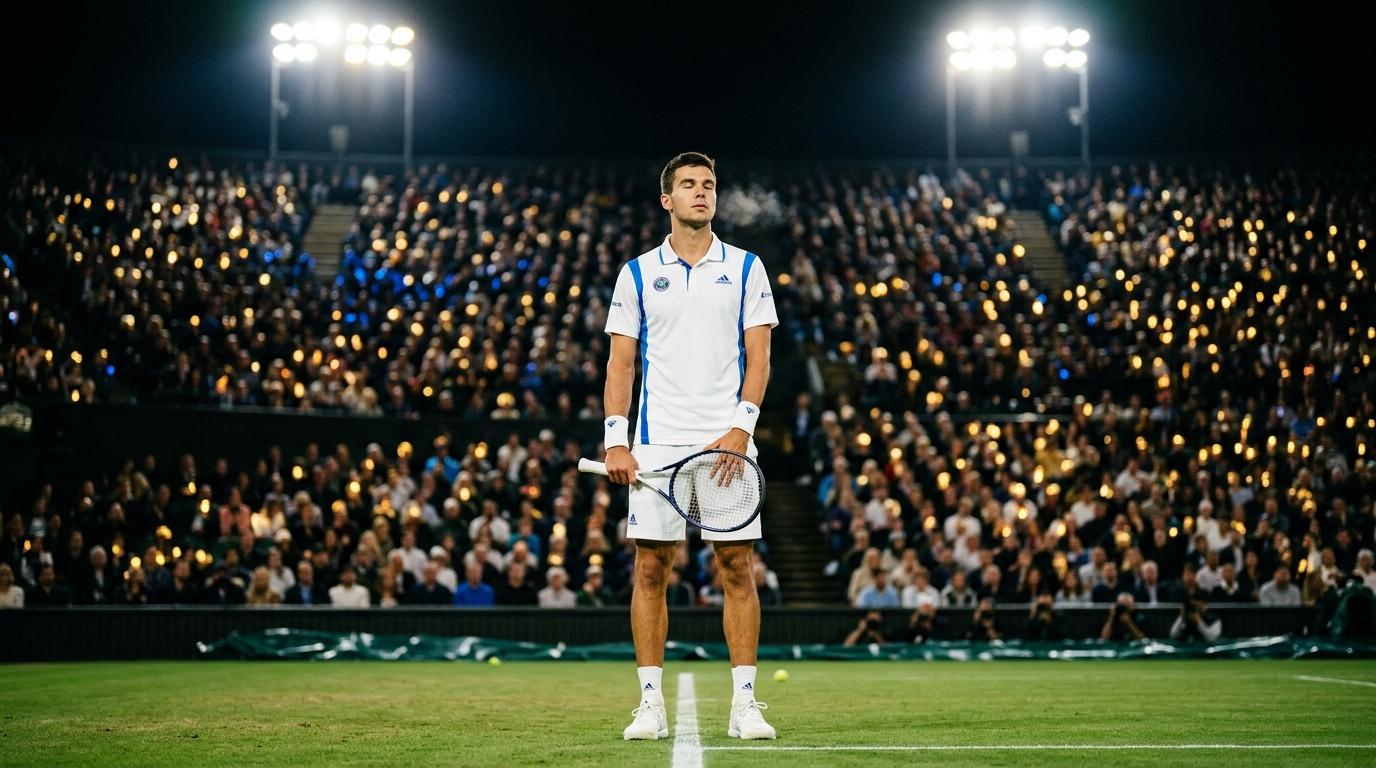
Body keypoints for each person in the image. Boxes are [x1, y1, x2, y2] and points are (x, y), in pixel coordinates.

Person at [603, 152, 779, 741]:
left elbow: (760, 358)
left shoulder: (749, 267)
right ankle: (649, 705)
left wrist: (741, 428)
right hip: (656, 445)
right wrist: (616, 440)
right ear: (667, 200)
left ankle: (745, 706)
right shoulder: (635, 273)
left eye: (708, 185)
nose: (701, 193)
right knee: (650, 567)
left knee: (737, 567)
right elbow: (620, 364)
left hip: (728, 441)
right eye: (688, 185)